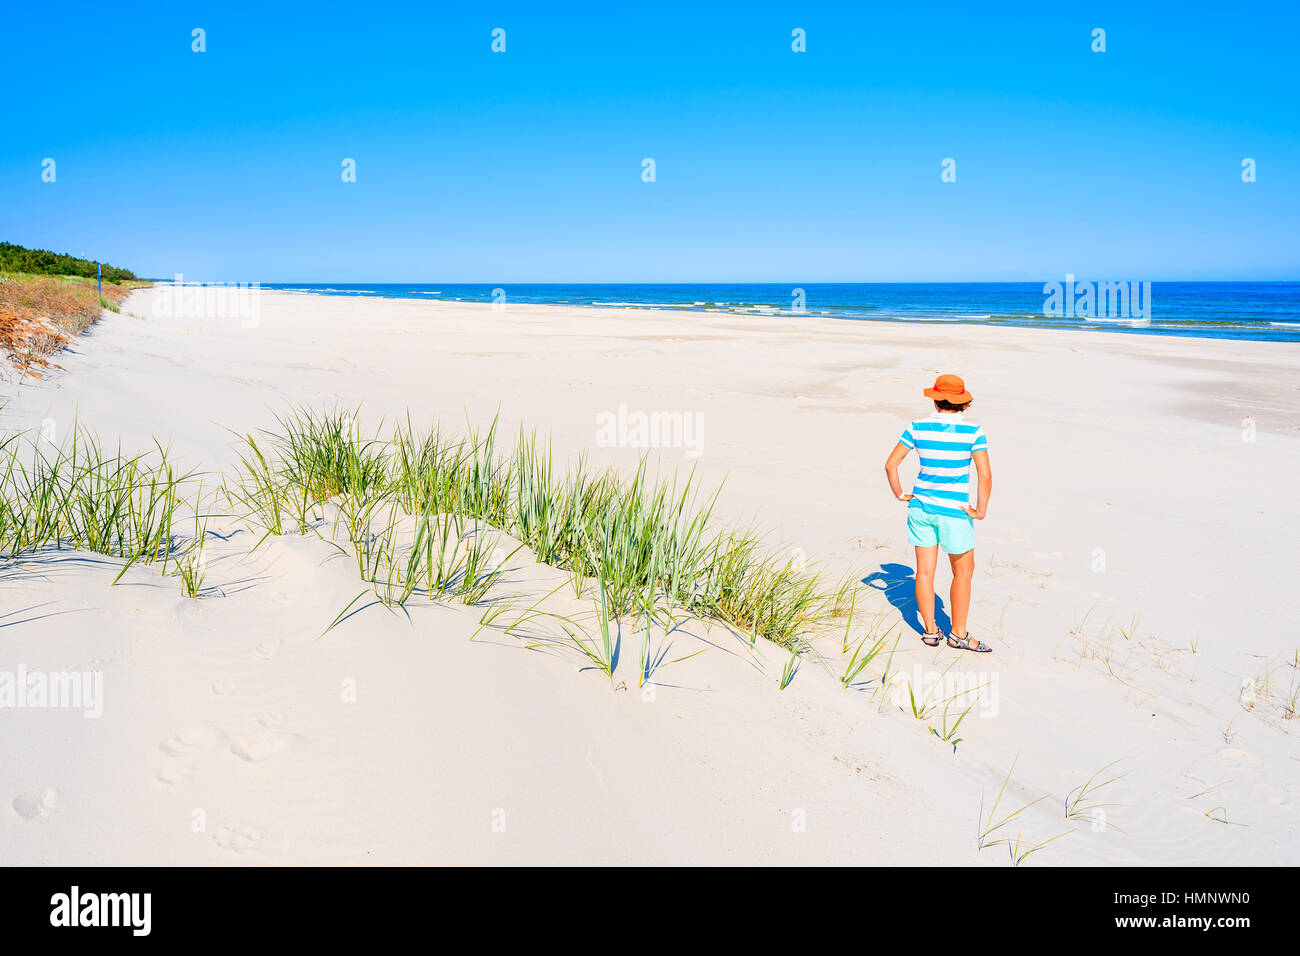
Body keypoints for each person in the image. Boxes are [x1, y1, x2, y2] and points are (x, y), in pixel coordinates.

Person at [883, 374, 993, 652]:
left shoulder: (916, 427)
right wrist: (980, 511)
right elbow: (985, 476)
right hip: (954, 512)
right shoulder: (974, 432)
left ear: (935, 397)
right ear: (962, 402)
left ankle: (930, 631)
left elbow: (890, 465)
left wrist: (900, 493)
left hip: (920, 507)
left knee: (924, 572)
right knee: (963, 572)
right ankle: (958, 634)